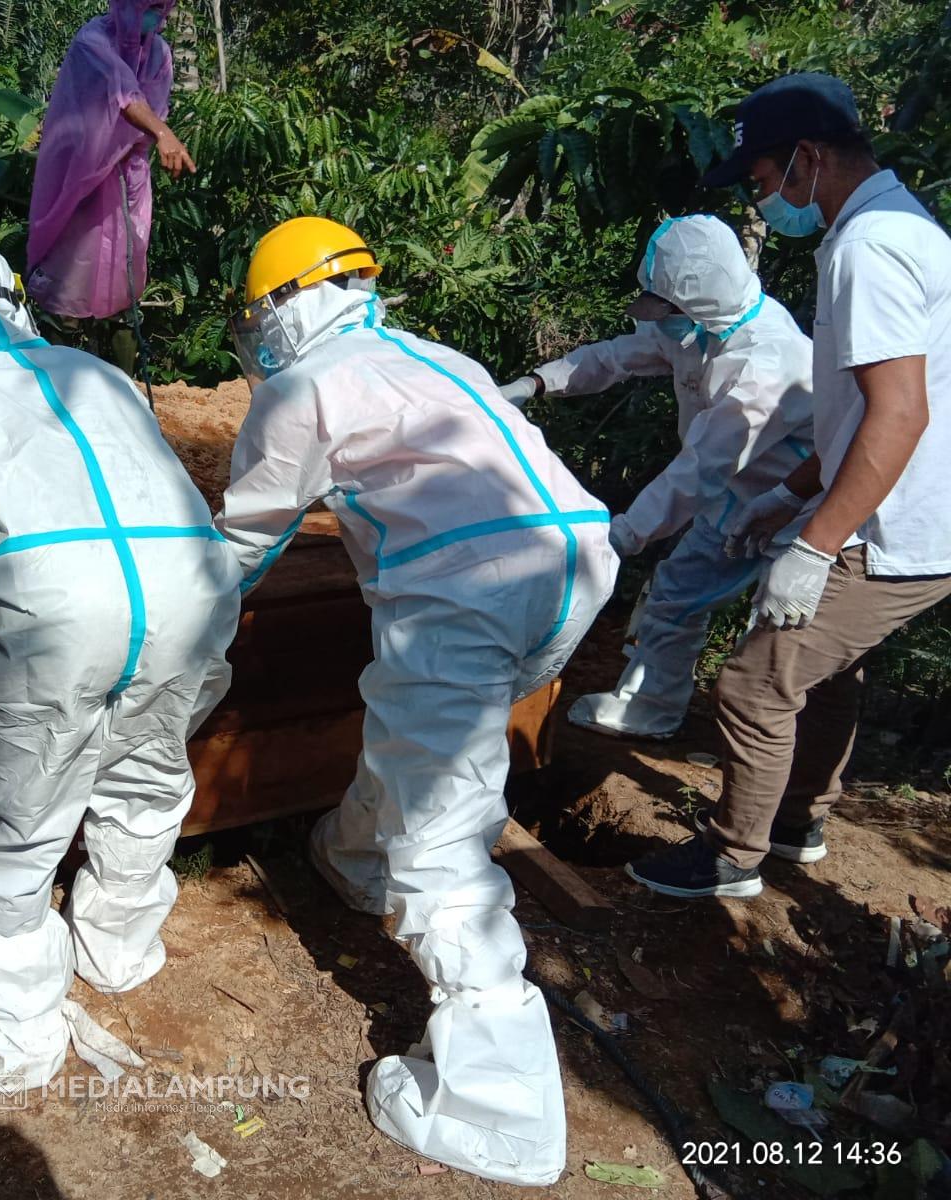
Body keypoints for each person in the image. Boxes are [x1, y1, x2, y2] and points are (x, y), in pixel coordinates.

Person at [217, 217, 617, 1185]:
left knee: (440, 832)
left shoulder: (299, 388)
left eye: (252, 320)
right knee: (429, 746)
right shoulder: (434, 355)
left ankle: (500, 1108)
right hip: (574, 560)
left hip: (464, 588)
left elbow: (242, 544)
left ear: (279, 305)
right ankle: (353, 859)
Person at [0, 243, 240, 1094]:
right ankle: (121, 949)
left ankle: (18, 1027)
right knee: (146, 778)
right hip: (191, 591)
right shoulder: (91, 371)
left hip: (52, 611)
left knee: (20, 824)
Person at [626, 73, 951, 899]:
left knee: (757, 678)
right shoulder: (896, 226)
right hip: (905, 505)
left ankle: (734, 855)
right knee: (827, 670)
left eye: (766, 182)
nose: (766, 201)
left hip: (901, 523)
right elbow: (854, 417)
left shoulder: (869, 248)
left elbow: (900, 415)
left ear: (808, 157)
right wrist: (790, 492)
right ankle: (801, 816)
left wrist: (813, 542)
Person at [501, 215, 814, 739]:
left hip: (796, 508)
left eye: (666, 311)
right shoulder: (694, 331)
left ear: (697, 305)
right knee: (674, 595)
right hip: (735, 496)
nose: (658, 323)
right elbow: (615, 357)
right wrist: (536, 384)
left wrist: (624, 534)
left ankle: (773, 755)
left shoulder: (769, 359)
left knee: (782, 631)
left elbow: (701, 467)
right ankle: (652, 708)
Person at [26, 0, 194, 320]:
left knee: (122, 277)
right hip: (79, 175)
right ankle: (58, 353)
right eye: (147, 6)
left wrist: (148, 135)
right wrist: (161, 133)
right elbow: (123, 92)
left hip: (128, 176)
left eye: (160, 7)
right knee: (67, 276)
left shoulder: (159, 53)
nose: (153, 15)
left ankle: (118, 364)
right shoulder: (92, 40)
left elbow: (152, 109)